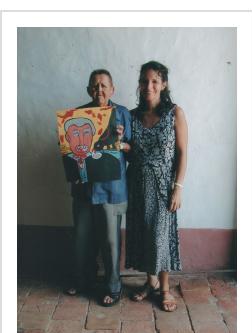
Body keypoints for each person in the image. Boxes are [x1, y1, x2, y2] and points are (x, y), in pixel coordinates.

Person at [125, 61, 188, 312]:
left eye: (154, 81)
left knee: (160, 236)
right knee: (141, 233)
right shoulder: (131, 116)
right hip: (137, 184)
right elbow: (131, 154)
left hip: (163, 188)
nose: (148, 86)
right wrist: (122, 145)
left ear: (164, 84)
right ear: (139, 84)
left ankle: (165, 289)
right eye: (144, 81)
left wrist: (178, 187)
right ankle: (149, 282)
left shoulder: (175, 113)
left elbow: (183, 153)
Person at [66, 69, 131, 307]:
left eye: (104, 86)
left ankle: (113, 287)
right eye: (94, 86)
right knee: (82, 238)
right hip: (84, 188)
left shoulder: (122, 114)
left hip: (112, 189)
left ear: (112, 89)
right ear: (88, 90)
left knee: (110, 241)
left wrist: (120, 142)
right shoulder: (77, 116)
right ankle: (83, 280)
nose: (99, 90)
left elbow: (134, 149)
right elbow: (70, 150)